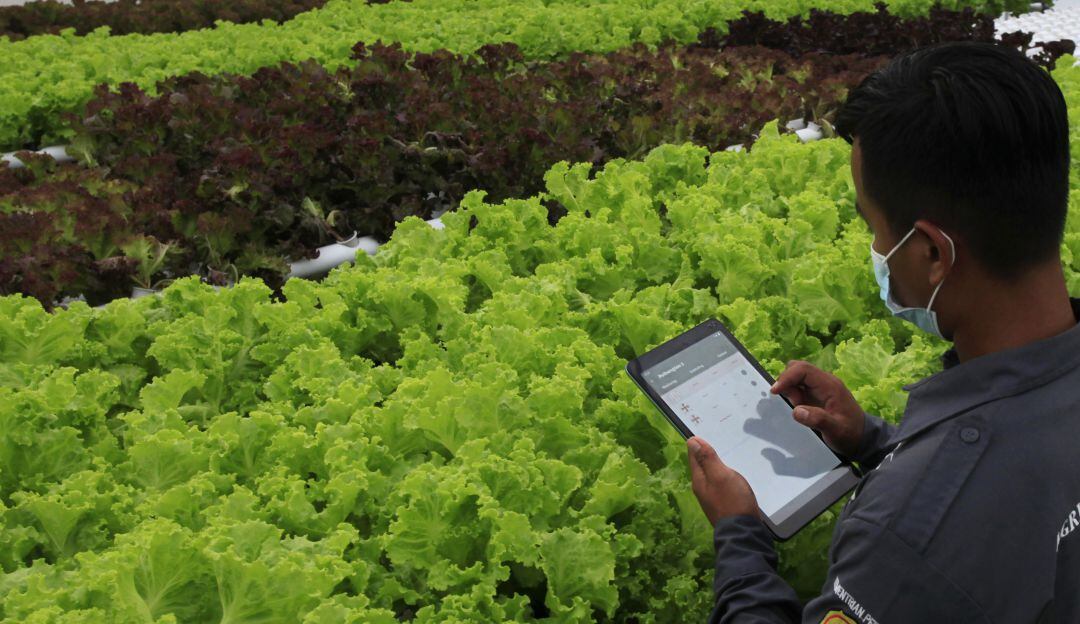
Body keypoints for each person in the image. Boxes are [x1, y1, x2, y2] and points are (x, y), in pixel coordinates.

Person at [687, 41, 1080, 623]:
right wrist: (875, 444)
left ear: (931, 253)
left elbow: (955, 523)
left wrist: (741, 538)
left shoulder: (903, 545)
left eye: (873, 227)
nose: (876, 252)